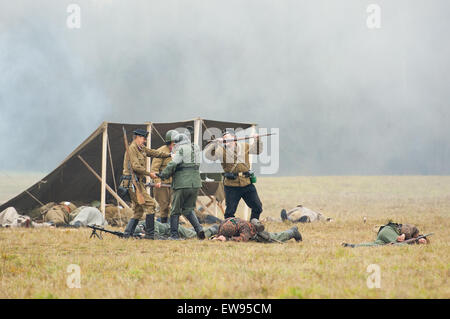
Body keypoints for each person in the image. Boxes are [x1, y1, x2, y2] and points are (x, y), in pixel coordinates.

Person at [151, 132, 205, 240]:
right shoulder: (196, 149)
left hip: (182, 183)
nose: (174, 146)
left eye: (175, 143)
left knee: (175, 210)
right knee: (188, 209)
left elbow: (173, 164)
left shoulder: (181, 149)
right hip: (195, 183)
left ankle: (174, 235)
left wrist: (162, 175)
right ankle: (199, 229)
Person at [121, 128, 171, 239]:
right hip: (132, 183)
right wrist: (150, 174)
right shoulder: (132, 148)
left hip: (138, 183)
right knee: (151, 204)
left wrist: (169, 155)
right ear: (137, 137)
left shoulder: (141, 148)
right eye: (143, 138)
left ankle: (127, 234)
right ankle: (149, 235)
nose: (145, 140)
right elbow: (135, 166)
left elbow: (154, 153)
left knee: (138, 210)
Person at [204, 129, 263, 220]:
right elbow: (208, 156)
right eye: (223, 137)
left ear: (234, 138)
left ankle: (253, 227)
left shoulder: (244, 146)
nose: (225, 139)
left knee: (257, 207)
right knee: (229, 213)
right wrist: (214, 144)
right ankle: (230, 230)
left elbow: (257, 150)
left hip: (246, 183)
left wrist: (257, 140)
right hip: (231, 185)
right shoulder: (221, 150)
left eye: (227, 137)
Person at [150, 130, 177, 223]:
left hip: (174, 183)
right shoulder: (161, 151)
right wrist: (157, 181)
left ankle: (174, 228)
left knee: (175, 206)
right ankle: (163, 225)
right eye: (174, 143)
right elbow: (154, 168)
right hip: (163, 184)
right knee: (164, 206)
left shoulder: (177, 152)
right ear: (169, 143)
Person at [212, 217, 302, 243]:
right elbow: (220, 233)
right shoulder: (225, 223)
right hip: (247, 232)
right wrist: (216, 238)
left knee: (276, 237)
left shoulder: (244, 227)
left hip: (256, 234)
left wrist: (228, 240)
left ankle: (293, 231)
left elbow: (243, 239)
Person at [342, 221, 429, 247]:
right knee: (402, 246)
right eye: (423, 239)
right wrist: (403, 235)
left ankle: (352, 246)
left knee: (375, 245)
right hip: (389, 231)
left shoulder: (412, 243)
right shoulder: (414, 230)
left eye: (423, 242)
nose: (422, 241)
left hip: (383, 235)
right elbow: (406, 229)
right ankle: (389, 245)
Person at [134, 219, 219, 240]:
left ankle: (213, 229)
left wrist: (145, 236)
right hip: (173, 230)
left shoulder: (150, 223)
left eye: (142, 231)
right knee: (191, 231)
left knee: (194, 236)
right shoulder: (139, 225)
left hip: (175, 229)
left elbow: (156, 236)